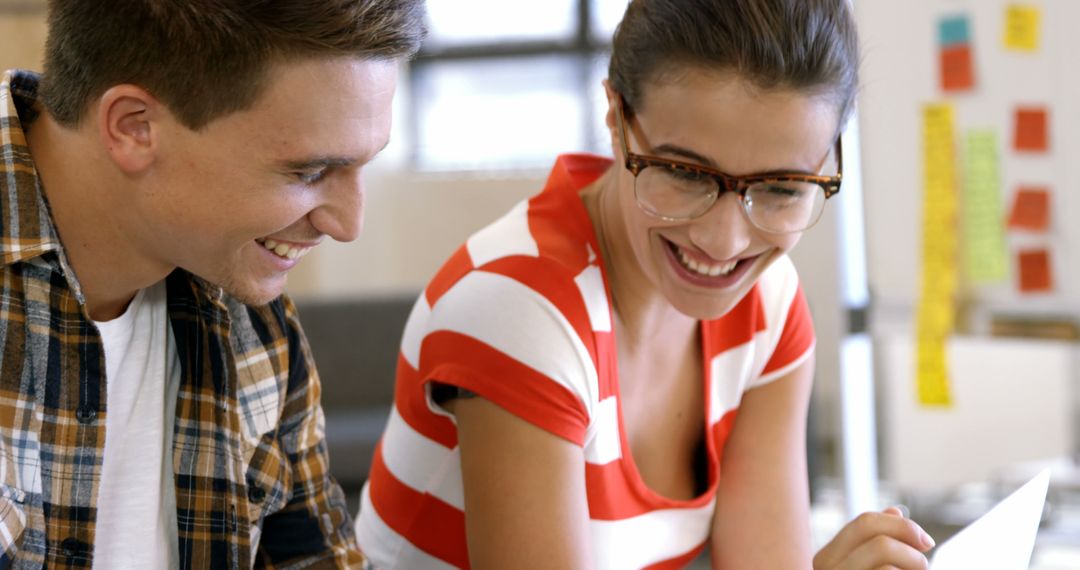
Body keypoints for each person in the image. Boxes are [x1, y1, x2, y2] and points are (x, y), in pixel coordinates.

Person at [356, 0, 936, 568]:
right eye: (685, 173)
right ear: (615, 117)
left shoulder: (768, 300)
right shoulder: (520, 310)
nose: (726, 241)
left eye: (783, 188)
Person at [0, 0, 424, 567]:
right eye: (309, 172)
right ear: (134, 127)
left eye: (361, 166)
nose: (348, 225)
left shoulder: (252, 315)